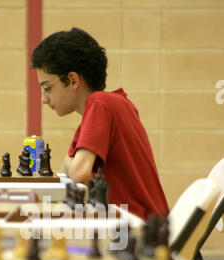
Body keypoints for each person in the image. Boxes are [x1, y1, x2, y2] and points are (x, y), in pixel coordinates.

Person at [31, 27, 169, 220]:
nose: (44, 99)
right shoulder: (112, 104)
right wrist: (72, 166)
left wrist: (72, 166)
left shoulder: (101, 104)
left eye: (47, 88)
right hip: (141, 226)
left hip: (139, 232)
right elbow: (66, 166)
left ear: (72, 80)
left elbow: (77, 172)